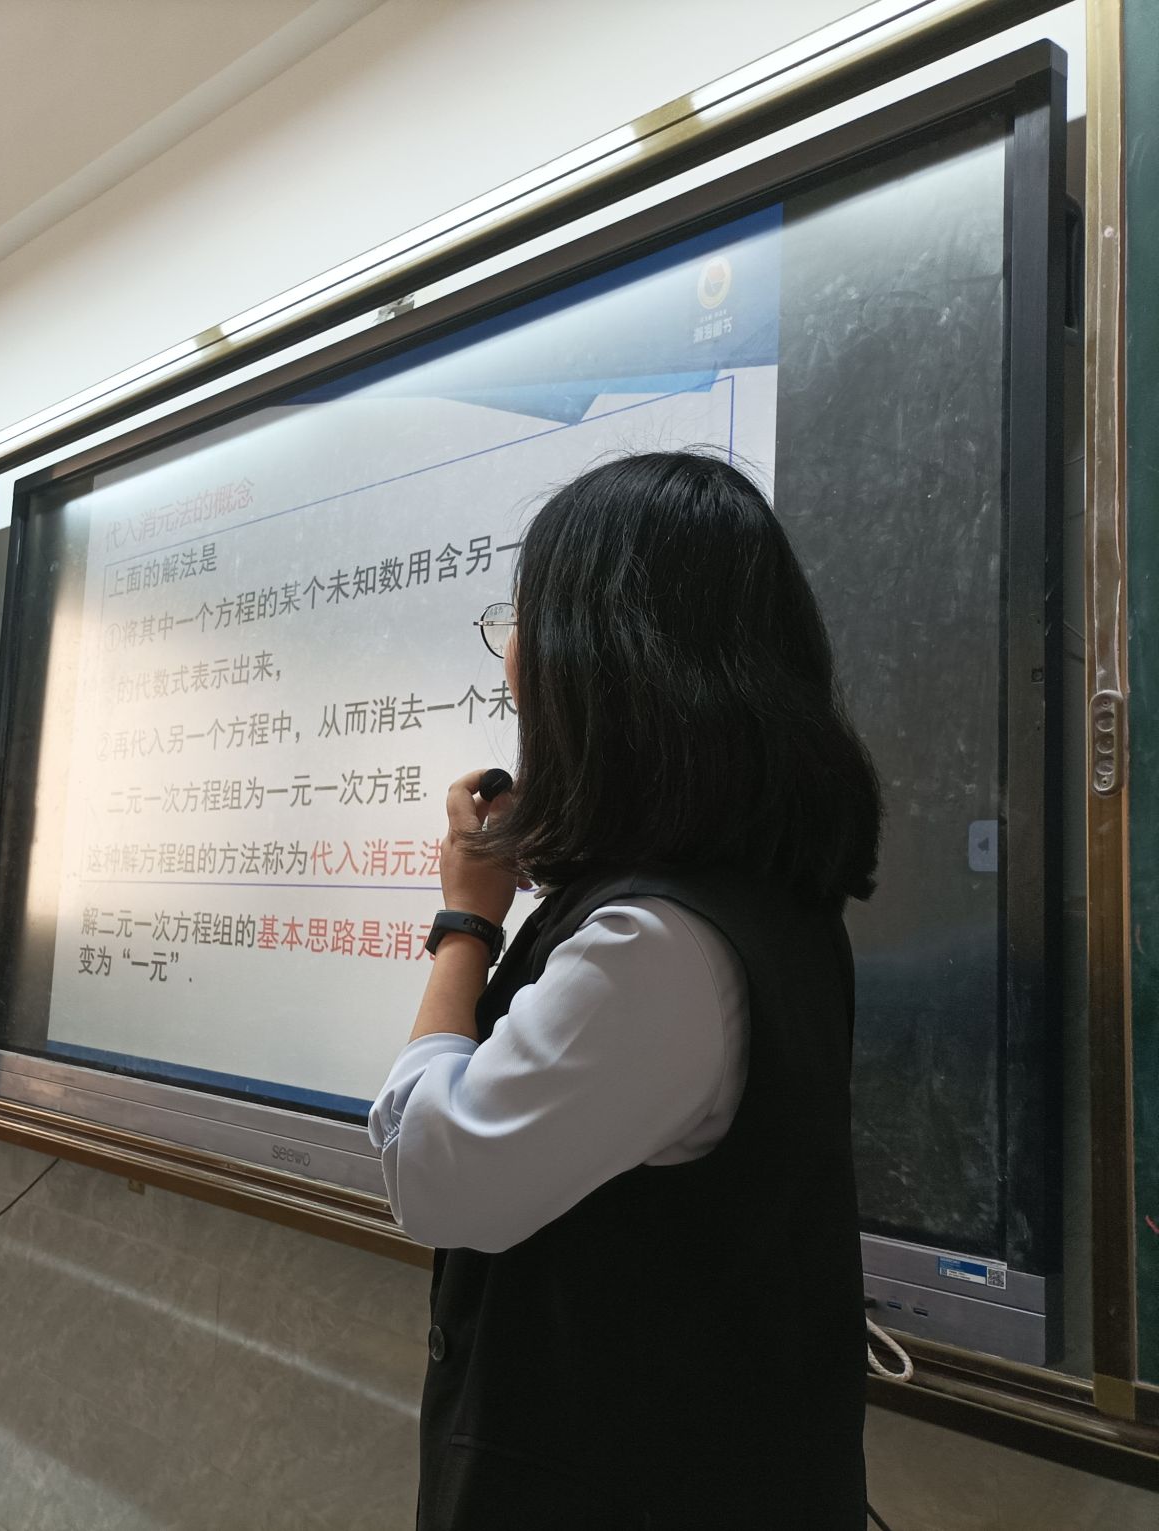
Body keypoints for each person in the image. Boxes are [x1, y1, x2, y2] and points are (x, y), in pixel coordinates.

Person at [369, 451, 881, 1528]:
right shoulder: (753, 901)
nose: (510, 658)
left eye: (520, 621)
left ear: (593, 657)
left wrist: (465, 922)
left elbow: (435, 1172)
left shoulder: (653, 947)